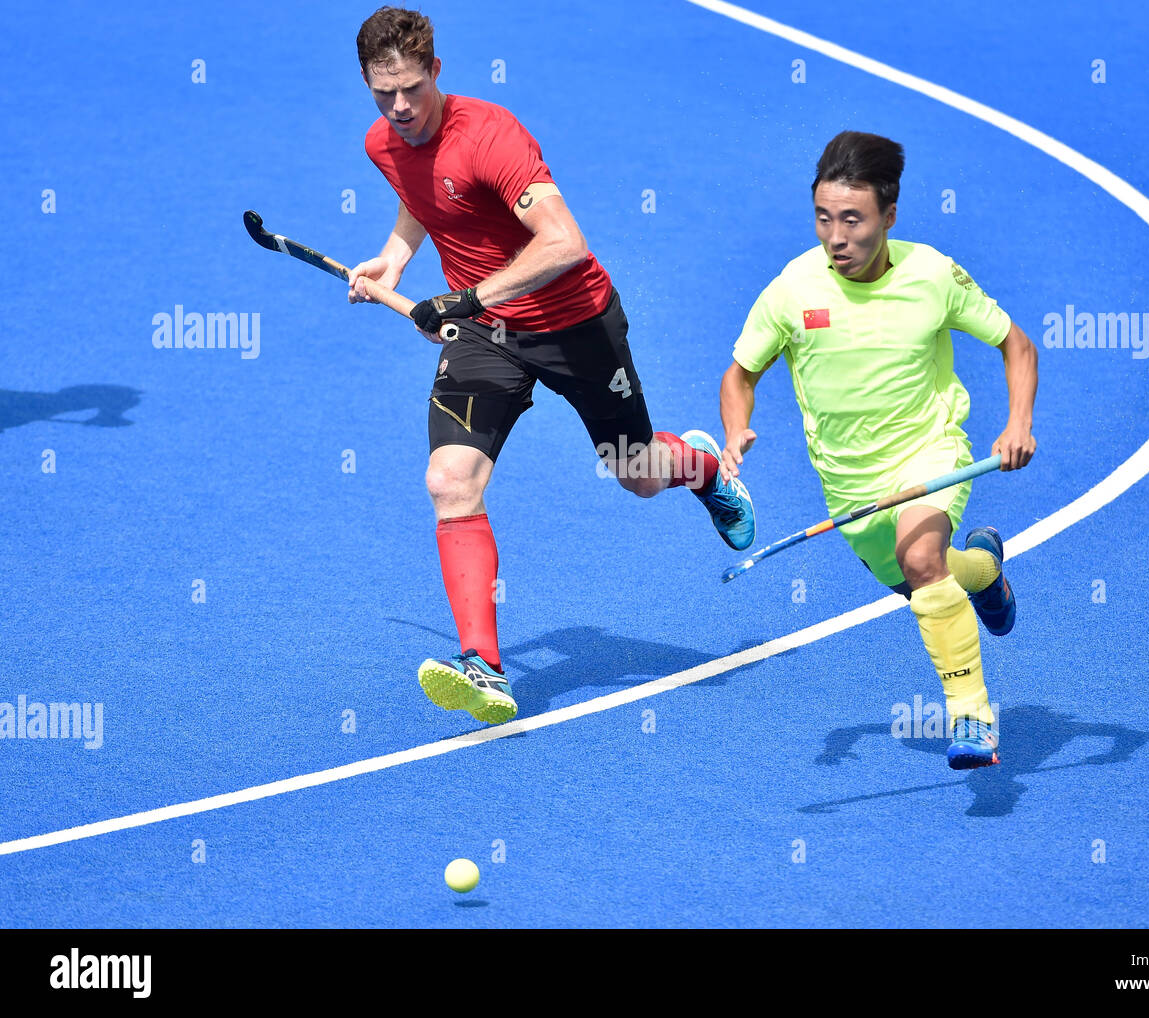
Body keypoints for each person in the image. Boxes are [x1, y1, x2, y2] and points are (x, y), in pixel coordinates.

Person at [347, 7, 755, 726]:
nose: (401, 108)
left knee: (635, 475)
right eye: (385, 94)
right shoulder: (385, 141)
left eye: (412, 89)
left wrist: (465, 296)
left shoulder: (492, 136)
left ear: (437, 71)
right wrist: (396, 256)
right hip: (485, 335)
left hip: (576, 324)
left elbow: (563, 242)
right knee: (450, 481)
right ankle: (486, 668)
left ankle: (701, 467)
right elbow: (427, 198)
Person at [719, 131, 1038, 769]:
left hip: (930, 449)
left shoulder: (932, 275)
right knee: (926, 579)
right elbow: (740, 375)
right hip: (849, 485)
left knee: (921, 559)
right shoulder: (792, 289)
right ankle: (984, 570)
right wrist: (735, 431)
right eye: (823, 218)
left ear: (889, 216)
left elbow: (1017, 345)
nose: (836, 237)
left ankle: (973, 720)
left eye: (853, 220)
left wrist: (1017, 424)